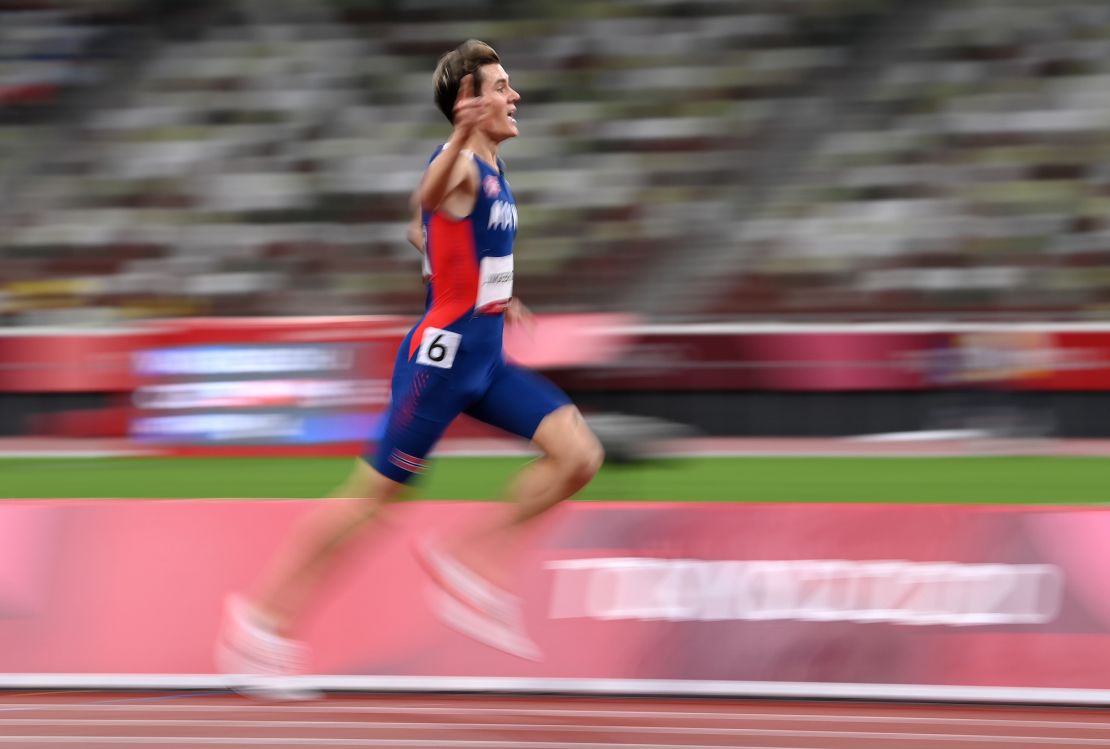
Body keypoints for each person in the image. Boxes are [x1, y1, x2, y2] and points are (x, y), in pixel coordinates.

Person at [217, 39, 605, 686]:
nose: (515, 96)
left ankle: (468, 560)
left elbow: (433, 229)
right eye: (501, 86)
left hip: (487, 359)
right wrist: (452, 150)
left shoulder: (491, 170)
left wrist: (495, 292)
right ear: (469, 102)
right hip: (441, 359)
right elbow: (428, 193)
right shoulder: (458, 167)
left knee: (579, 456)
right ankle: (258, 623)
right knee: (372, 499)